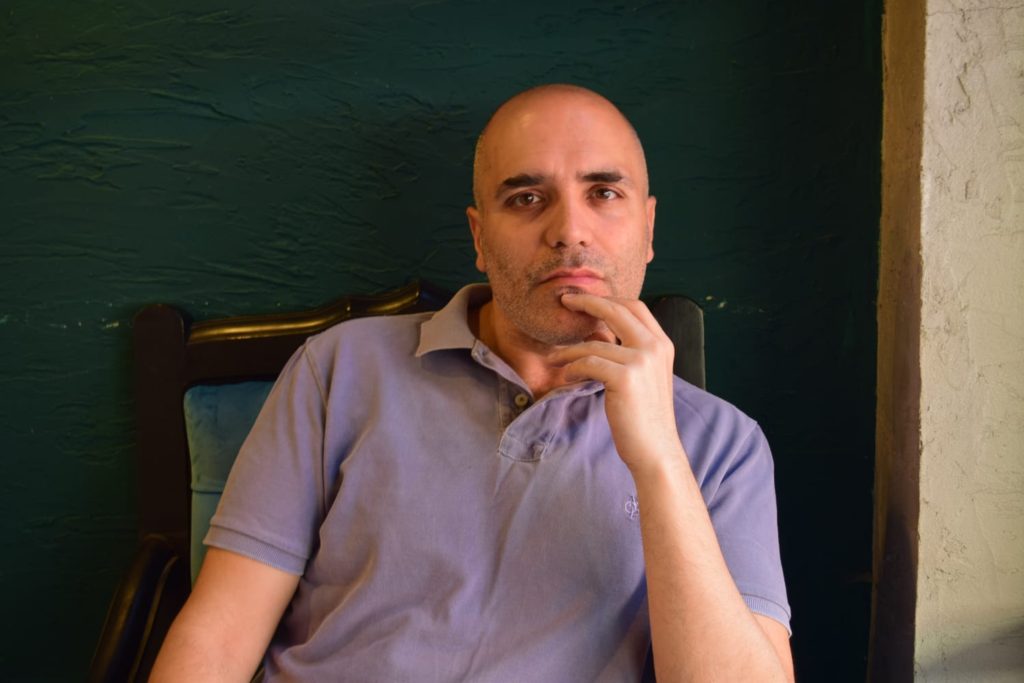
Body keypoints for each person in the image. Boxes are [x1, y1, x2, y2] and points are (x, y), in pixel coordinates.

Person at [150, 84, 794, 682]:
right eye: (527, 198)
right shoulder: (337, 368)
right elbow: (219, 637)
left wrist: (659, 462)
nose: (569, 231)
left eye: (603, 193)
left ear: (648, 229)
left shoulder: (723, 446)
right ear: (480, 238)